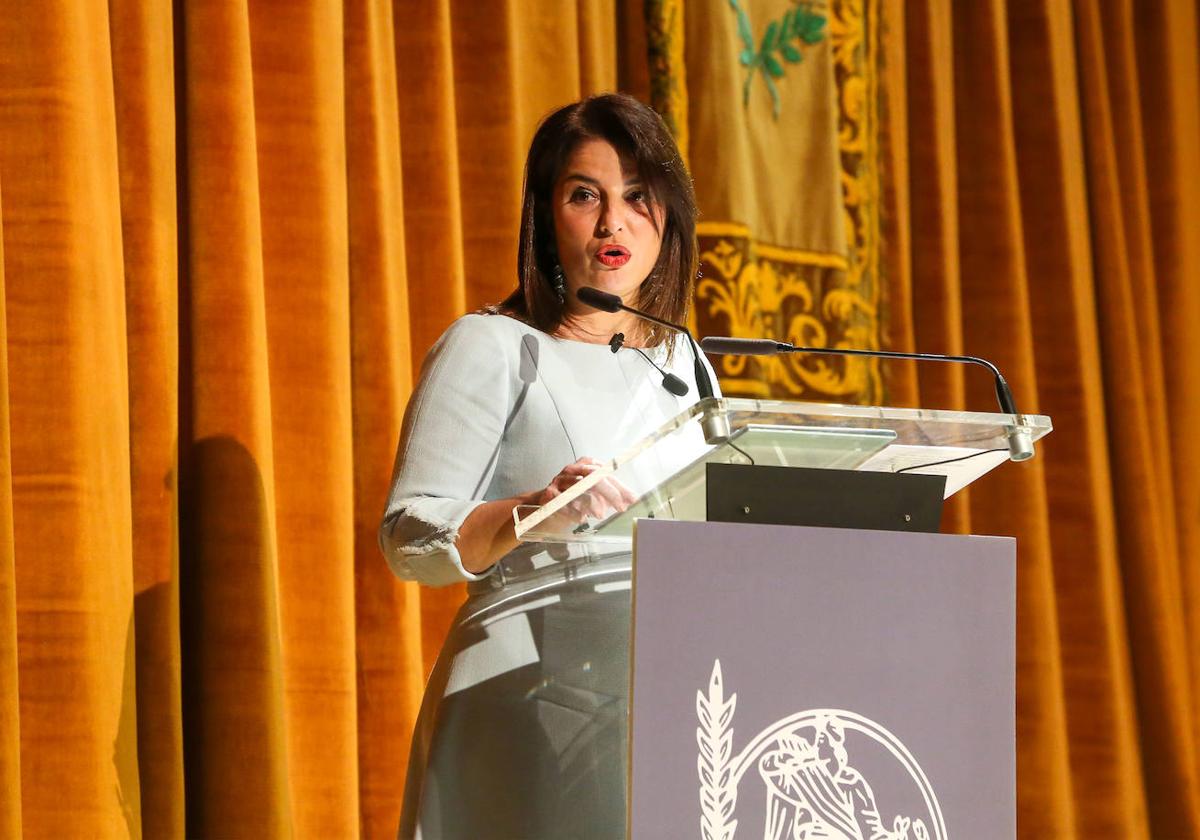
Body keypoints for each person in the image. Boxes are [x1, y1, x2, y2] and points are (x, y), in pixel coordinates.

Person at [380, 92, 717, 839]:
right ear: (545, 215)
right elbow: (409, 538)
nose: (612, 221)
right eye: (583, 195)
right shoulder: (493, 344)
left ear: (670, 214)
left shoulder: (684, 364)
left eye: (638, 196)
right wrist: (531, 513)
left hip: (662, 705)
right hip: (521, 697)